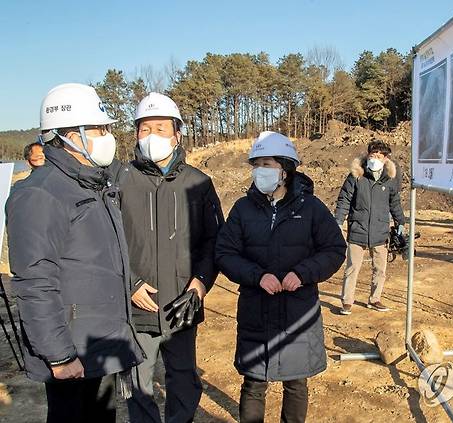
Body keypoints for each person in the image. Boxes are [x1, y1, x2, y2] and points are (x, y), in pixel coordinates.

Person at [5, 83, 142, 423]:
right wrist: (59, 355)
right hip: (72, 350)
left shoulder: (93, 185)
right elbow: (35, 282)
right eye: (99, 129)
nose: (107, 136)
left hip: (101, 341)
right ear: (69, 135)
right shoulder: (41, 194)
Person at [215, 131, 346, 423]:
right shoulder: (242, 208)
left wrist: (302, 273)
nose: (260, 171)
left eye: (267, 164)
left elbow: (335, 249)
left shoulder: (311, 209)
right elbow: (224, 253)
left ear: (286, 169)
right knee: (253, 382)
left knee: (296, 382)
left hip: (297, 311)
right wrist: (257, 276)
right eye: (256, 164)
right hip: (255, 311)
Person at [115, 92, 224, 423]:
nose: (152, 137)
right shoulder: (120, 180)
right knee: (137, 385)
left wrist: (201, 284)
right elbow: (107, 242)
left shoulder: (199, 183)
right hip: (137, 307)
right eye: (144, 129)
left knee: (183, 383)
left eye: (160, 128)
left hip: (182, 305)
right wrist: (129, 282)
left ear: (177, 134)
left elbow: (213, 242)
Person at [334, 140, 405, 315]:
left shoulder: (389, 179)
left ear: (386, 158)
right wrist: (338, 221)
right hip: (358, 229)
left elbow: (394, 202)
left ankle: (375, 299)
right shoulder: (356, 176)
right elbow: (344, 199)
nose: (375, 159)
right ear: (367, 156)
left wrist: (400, 221)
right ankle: (347, 301)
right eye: (372, 155)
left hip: (380, 232)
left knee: (380, 269)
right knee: (352, 268)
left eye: (379, 156)